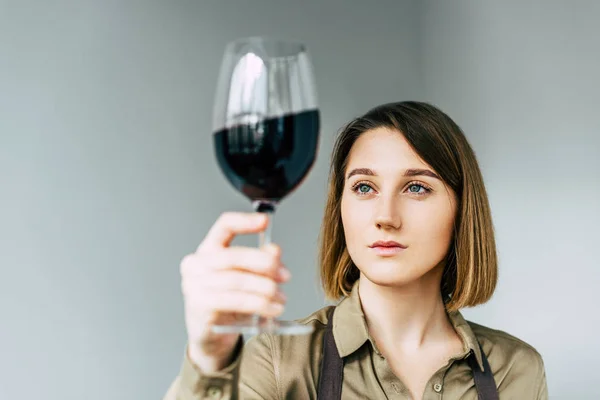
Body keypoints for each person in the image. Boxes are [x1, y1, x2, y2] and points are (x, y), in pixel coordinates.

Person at [163, 101, 548, 399]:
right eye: (364, 187)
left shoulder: (515, 368)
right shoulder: (280, 360)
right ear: (341, 207)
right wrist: (209, 357)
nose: (385, 216)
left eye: (417, 187)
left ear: (462, 210)